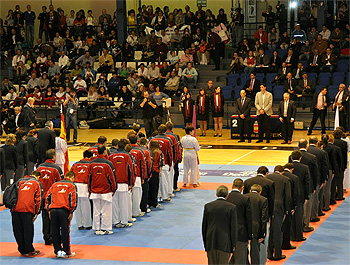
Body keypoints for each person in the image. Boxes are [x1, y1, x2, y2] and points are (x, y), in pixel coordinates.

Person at [202, 185, 237, 265]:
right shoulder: (231, 207)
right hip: (225, 243)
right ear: (227, 195)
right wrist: (233, 247)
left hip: (211, 241)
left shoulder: (208, 206)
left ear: (216, 194)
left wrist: (206, 244)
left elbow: (204, 227)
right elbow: (233, 228)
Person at [46, 170, 77, 258]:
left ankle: (57, 251)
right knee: (65, 230)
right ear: (72, 178)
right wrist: (71, 211)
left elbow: (48, 196)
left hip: (53, 210)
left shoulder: (55, 185)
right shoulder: (71, 185)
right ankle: (67, 251)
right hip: (63, 210)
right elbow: (73, 199)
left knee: (55, 230)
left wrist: (48, 209)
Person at [11, 171, 42, 257]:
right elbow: (38, 199)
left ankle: (22, 249)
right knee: (28, 230)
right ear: (37, 177)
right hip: (27, 210)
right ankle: (29, 249)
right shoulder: (36, 183)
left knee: (18, 230)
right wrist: (36, 212)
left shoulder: (19, 181)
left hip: (15, 209)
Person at [37, 149, 64, 245]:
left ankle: (47, 237)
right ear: (54, 157)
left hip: (42, 197)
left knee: (45, 217)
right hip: (52, 197)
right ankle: (53, 237)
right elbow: (61, 182)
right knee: (53, 217)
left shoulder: (39, 167)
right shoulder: (56, 169)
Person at [88, 145, 116, 235]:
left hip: (94, 191)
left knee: (96, 210)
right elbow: (112, 179)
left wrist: (89, 190)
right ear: (104, 152)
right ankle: (105, 228)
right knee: (106, 210)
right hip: (106, 191)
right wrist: (114, 189)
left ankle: (97, 228)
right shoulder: (108, 164)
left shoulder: (91, 164)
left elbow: (89, 178)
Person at [266, 166, 291, 261]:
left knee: (269, 231)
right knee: (277, 231)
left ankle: (269, 253)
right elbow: (288, 197)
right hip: (279, 208)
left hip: (268, 207)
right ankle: (277, 254)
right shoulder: (285, 179)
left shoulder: (267, 178)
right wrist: (286, 211)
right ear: (282, 172)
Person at [109, 138, 135, 228]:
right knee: (124, 204)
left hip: (114, 184)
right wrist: (132, 183)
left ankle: (115, 221)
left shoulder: (111, 156)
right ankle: (124, 221)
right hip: (124, 184)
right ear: (125, 146)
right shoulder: (127, 156)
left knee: (115, 204)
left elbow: (109, 171)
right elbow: (131, 170)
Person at [226, 179, 252, 265]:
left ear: (232, 186)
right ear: (242, 188)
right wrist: (249, 236)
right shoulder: (245, 199)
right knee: (240, 259)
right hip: (241, 233)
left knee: (229, 259)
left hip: (227, 232)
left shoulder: (226, 197)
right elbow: (248, 219)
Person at [245, 184, 268, 265]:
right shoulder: (263, 199)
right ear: (260, 192)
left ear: (250, 190)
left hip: (244, 228)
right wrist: (262, 234)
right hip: (256, 228)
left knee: (244, 250)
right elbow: (263, 218)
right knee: (255, 251)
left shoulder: (244, 197)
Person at [149, 125, 173, 202]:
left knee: (155, 183)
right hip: (164, 163)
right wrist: (170, 163)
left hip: (154, 165)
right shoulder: (167, 140)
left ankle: (157, 196)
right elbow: (169, 153)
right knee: (164, 182)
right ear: (165, 131)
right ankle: (165, 196)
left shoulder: (152, 139)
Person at [290, 151, 310, 242]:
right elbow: (307, 183)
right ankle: (298, 236)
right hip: (300, 194)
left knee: (290, 216)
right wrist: (307, 196)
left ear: (291, 158)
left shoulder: (287, 167)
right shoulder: (304, 168)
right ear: (300, 158)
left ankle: (290, 235)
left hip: (289, 194)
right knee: (299, 215)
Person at [308, 136, 329, 220]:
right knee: (316, 197)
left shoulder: (303, 152)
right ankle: (314, 215)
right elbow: (324, 167)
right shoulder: (321, 152)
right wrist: (324, 179)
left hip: (304, 178)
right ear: (316, 143)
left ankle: (307, 216)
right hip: (316, 178)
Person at [71, 150, 93, 230]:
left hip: (75, 185)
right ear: (91, 157)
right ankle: (87, 224)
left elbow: (71, 174)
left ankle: (79, 224)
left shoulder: (75, 164)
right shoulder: (91, 164)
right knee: (86, 206)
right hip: (84, 185)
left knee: (77, 206)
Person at [128, 134, 147, 218]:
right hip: (137, 176)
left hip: (127, 177)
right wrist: (143, 177)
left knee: (128, 197)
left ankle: (128, 214)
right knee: (136, 196)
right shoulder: (140, 151)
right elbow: (143, 165)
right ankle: (135, 212)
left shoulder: (127, 150)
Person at [282, 163, 299, 250]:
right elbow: (295, 194)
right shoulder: (294, 178)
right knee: (287, 226)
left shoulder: (275, 176)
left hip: (277, 206)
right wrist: (294, 206)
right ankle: (286, 244)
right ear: (291, 169)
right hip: (288, 205)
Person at [333, 129, 348, 202]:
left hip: (333, 163)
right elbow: (345, 155)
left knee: (333, 181)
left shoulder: (332, 142)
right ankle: (340, 195)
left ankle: (333, 195)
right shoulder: (343, 143)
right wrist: (345, 165)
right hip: (341, 164)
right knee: (340, 180)